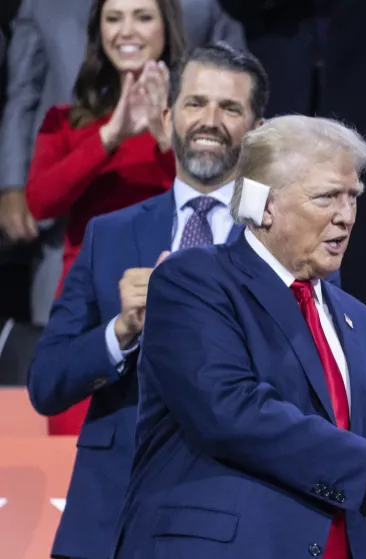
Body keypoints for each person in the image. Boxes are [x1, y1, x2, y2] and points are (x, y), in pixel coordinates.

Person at [112, 115, 366, 559]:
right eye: (327, 197)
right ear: (265, 203)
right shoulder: (193, 282)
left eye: (353, 197)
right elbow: (229, 410)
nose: (346, 216)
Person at [25, 42, 269, 559]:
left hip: (228, 514)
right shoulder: (108, 235)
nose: (210, 120)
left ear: (256, 128)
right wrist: (121, 330)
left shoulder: (282, 236)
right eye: (195, 103)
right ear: (168, 115)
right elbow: (46, 383)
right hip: (106, 520)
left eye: (230, 108)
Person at [19, 0, 186, 436]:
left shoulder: (192, 122)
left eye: (142, 16)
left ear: (167, 28)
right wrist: (111, 134)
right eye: (114, 18)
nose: (126, 30)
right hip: (88, 302)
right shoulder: (65, 120)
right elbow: (40, 203)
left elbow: (215, 199)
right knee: (80, 440)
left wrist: (165, 137)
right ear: (99, 32)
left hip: (173, 296)